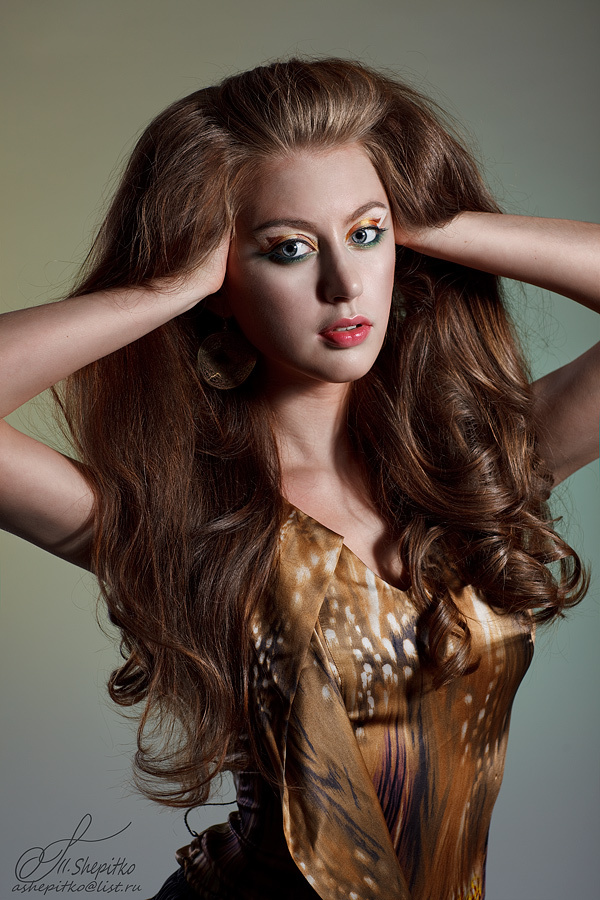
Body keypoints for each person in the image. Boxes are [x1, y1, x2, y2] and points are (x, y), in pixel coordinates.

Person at [0, 57, 598, 900]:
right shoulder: (185, 520)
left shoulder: (473, 475)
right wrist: (170, 288)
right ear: (222, 279)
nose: (343, 285)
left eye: (366, 237)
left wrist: (431, 221)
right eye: (289, 249)